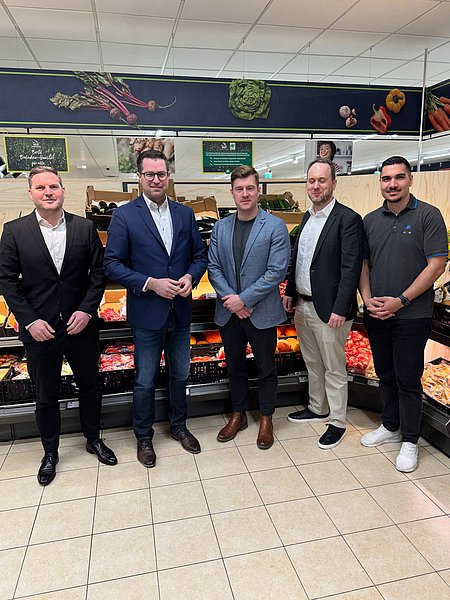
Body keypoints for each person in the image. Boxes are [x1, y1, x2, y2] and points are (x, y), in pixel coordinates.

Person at [0, 165, 117, 486]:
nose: (48, 192)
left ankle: (93, 439)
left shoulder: (84, 228)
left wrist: (87, 310)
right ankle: (50, 452)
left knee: (90, 387)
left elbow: (98, 274)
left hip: (81, 326)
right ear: (30, 194)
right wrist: (29, 320)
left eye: (53, 186)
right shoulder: (14, 231)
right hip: (40, 330)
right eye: (41, 188)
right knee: (46, 395)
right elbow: (7, 281)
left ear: (63, 191)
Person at [104, 149, 207, 468]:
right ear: (139, 177)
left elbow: (199, 256)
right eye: (149, 174)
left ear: (168, 176)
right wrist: (150, 283)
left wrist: (190, 276)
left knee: (181, 374)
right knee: (145, 379)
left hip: (181, 311)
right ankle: (144, 437)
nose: (156, 179)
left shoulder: (184, 214)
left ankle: (179, 426)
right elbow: (112, 264)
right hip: (147, 312)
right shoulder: (125, 216)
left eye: (161, 174)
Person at [359, 156, 447, 472]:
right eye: (386, 178)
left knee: (408, 379)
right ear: (380, 182)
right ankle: (391, 425)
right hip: (377, 315)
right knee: (385, 373)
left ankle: (410, 440)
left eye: (399, 177)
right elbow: (364, 265)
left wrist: (400, 301)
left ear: (410, 179)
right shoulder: (370, 220)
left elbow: (436, 266)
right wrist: (367, 299)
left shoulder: (428, 215)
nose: (392, 184)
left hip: (412, 315)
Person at [208, 165, 290, 449]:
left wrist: (243, 300)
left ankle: (266, 418)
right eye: (239, 189)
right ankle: (239, 414)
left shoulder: (275, 226)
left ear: (258, 191)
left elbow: (276, 271)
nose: (245, 194)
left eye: (250, 188)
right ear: (232, 193)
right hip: (229, 313)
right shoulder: (220, 227)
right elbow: (213, 267)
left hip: (261, 312)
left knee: (266, 367)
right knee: (235, 367)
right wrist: (233, 300)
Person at [283, 159, 363, 449]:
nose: (316, 186)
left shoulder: (348, 219)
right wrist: (290, 290)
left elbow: (351, 268)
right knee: (312, 362)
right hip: (303, 305)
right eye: (311, 181)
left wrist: (341, 308)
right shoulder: (307, 217)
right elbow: (299, 260)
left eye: (322, 180)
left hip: (331, 310)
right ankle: (318, 407)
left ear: (333, 184)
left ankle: (338, 422)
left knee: (334, 368)